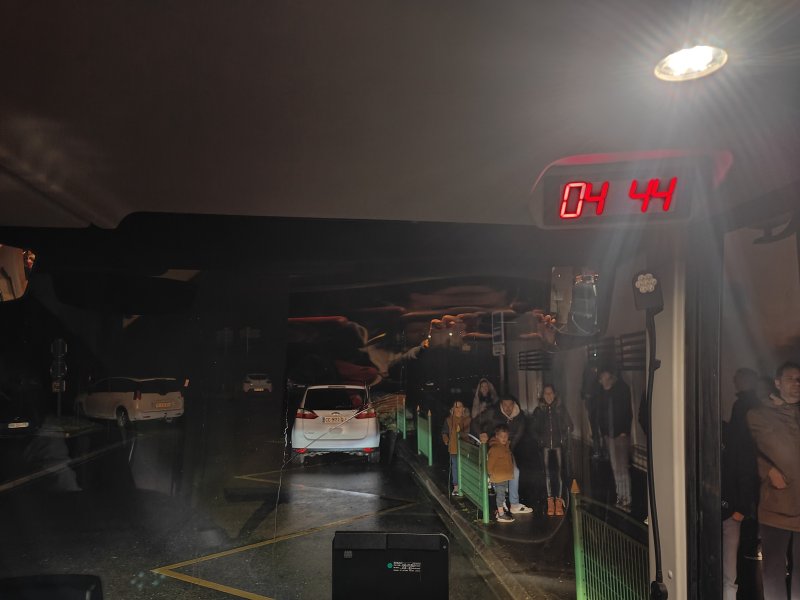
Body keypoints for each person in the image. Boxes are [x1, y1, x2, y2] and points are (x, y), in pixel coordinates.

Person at [746, 361, 800, 600]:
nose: (796, 384)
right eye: (790, 379)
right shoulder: (759, 414)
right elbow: (784, 453)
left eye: (799, 380)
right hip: (777, 506)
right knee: (773, 571)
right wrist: (767, 469)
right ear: (777, 383)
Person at [721, 367, 760, 600]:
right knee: (729, 562)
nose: (734, 381)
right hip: (733, 503)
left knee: (728, 562)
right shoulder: (750, 405)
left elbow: (743, 464)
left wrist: (741, 509)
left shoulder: (742, 408)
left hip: (731, 503)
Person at [479, 396, 533, 514]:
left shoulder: (520, 417)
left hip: (508, 450)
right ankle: (501, 501)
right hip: (496, 449)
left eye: (510, 405)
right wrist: (482, 434)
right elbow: (476, 422)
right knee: (498, 475)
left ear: (514, 405)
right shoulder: (493, 413)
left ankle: (514, 504)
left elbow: (519, 436)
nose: (508, 408)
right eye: (505, 405)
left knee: (515, 472)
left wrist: (508, 451)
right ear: (501, 405)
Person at [596, 367, 633, 512]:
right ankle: (620, 497)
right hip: (609, 435)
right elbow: (600, 414)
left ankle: (626, 499)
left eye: (606, 377)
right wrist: (603, 432)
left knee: (622, 467)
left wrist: (625, 431)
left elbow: (627, 412)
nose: (604, 380)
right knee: (615, 467)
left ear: (610, 376)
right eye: (602, 378)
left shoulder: (621, 390)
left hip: (620, 434)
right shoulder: (601, 394)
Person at [532, 384, 573, 516]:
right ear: (542, 395)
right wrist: (540, 439)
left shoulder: (560, 409)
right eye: (546, 393)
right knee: (547, 473)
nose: (548, 396)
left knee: (560, 473)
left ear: (555, 394)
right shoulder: (539, 410)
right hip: (545, 446)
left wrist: (563, 438)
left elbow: (570, 426)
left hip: (558, 446)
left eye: (550, 393)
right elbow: (533, 429)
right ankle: (550, 501)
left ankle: (559, 502)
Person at [442, 400, 471, 496]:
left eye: (460, 406)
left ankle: (466, 486)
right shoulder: (448, 420)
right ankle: (456, 487)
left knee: (465, 466)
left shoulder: (468, 419)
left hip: (465, 448)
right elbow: (444, 432)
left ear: (463, 409)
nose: (458, 409)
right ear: (452, 409)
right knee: (455, 467)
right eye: (456, 407)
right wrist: (446, 440)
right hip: (453, 447)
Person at [487, 424, 515, 523]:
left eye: (506, 436)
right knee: (500, 495)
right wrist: (490, 474)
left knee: (501, 494)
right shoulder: (496, 448)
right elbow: (490, 463)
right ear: (496, 436)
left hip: (504, 476)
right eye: (501, 436)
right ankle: (501, 514)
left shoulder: (505, 446)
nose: (504, 438)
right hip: (499, 477)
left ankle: (499, 510)